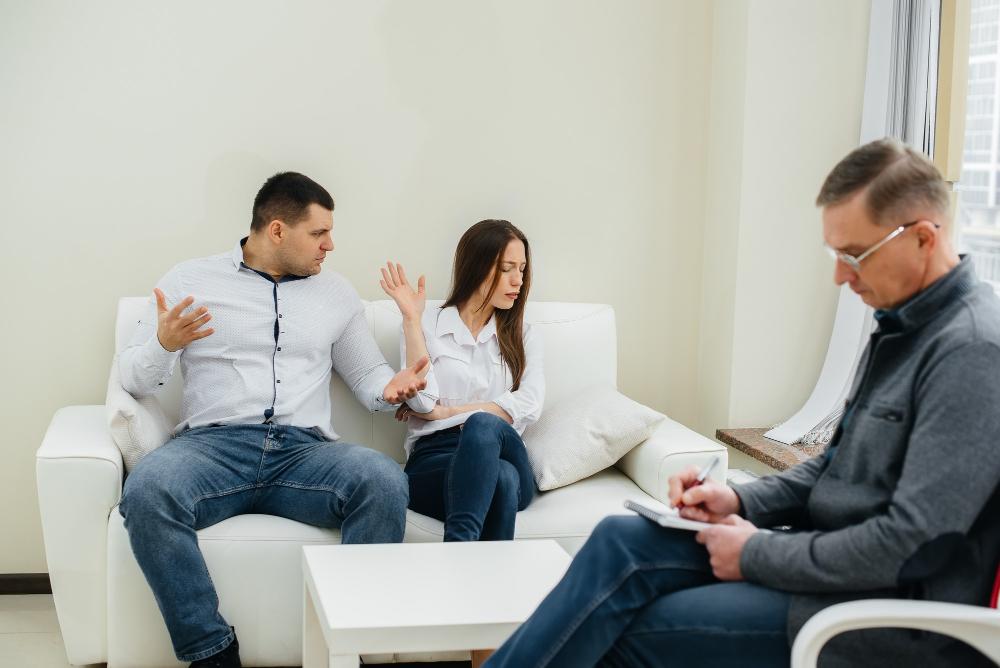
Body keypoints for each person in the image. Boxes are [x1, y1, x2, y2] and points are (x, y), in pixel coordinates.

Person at [485, 139, 1000, 668]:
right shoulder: (899, 327)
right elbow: (832, 469)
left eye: (854, 255)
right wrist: (736, 501)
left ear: (922, 238)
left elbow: (911, 544)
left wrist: (757, 553)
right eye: (836, 256)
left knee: (627, 632)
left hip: (881, 614)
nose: (841, 276)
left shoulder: (972, 352)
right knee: (621, 538)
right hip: (822, 565)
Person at [117, 172, 429, 668]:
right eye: (319, 233)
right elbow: (133, 378)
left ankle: (347, 646)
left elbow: (368, 374)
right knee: (147, 491)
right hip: (211, 451)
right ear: (278, 230)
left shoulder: (336, 294)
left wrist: (391, 389)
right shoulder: (188, 281)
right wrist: (163, 344)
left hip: (303, 455)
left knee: (383, 479)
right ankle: (212, 652)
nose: (330, 245)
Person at [379, 219, 544, 542]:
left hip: (504, 450)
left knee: (484, 426)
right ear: (476, 267)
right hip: (434, 459)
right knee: (502, 480)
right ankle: (475, 567)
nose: (518, 280)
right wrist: (411, 320)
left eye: (522, 269)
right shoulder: (426, 324)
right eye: (507, 268)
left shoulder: (525, 335)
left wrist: (449, 413)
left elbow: (530, 404)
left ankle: (456, 549)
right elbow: (423, 403)